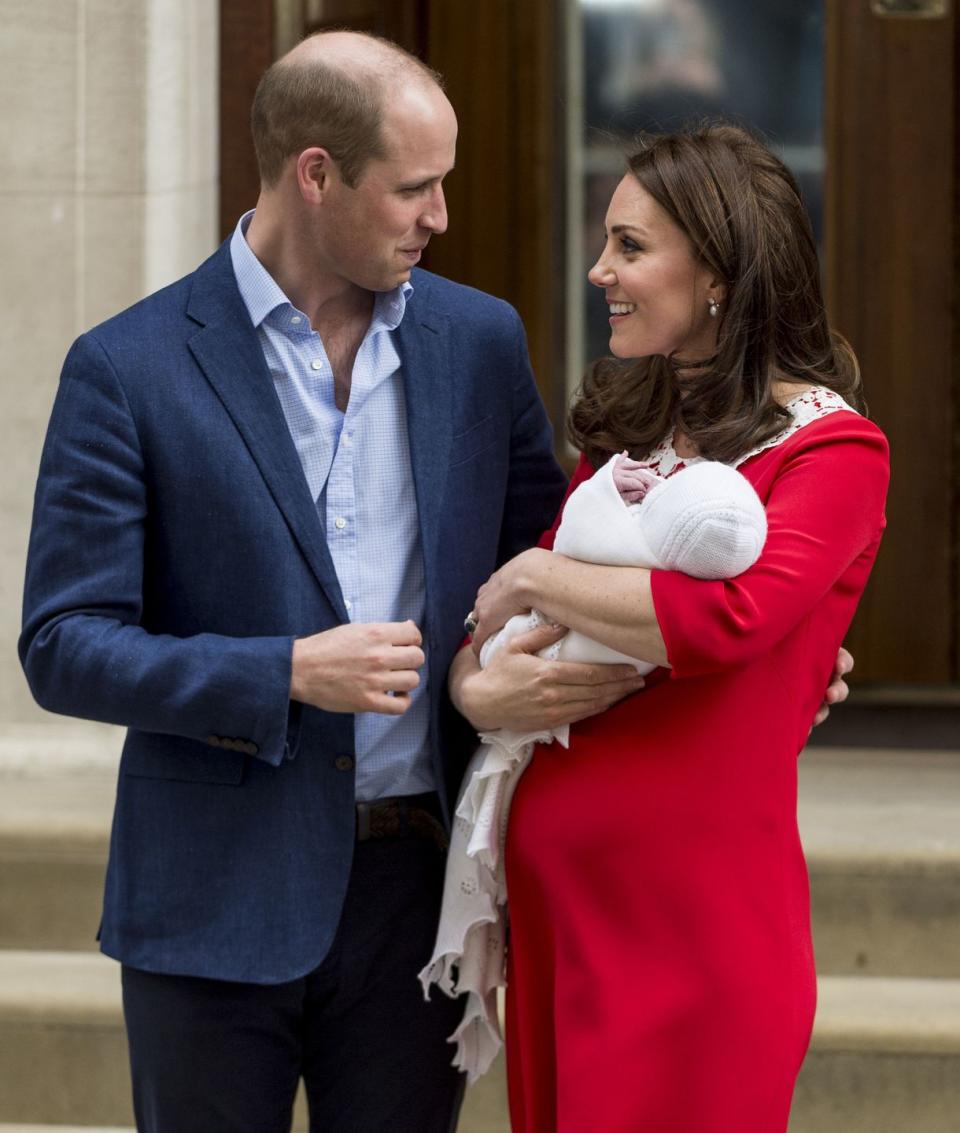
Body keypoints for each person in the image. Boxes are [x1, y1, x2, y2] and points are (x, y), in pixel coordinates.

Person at [17, 30, 660, 1133]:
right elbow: (65, 641)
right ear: (316, 175)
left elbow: (549, 565)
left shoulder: (477, 340)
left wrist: (765, 639)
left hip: (421, 900)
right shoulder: (127, 367)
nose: (440, 216)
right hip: (212, 904)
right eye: (415, 188)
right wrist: (283, 672)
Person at [450, 123, 889, 1132]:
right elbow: (510, 629)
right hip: (562, 914)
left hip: (696, 928)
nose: (601, 269)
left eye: (631, 247)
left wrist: (537, 571)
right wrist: (476, 675)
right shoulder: (628, 433)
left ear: (722, 272)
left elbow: (732, 618)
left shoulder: (837, 452)